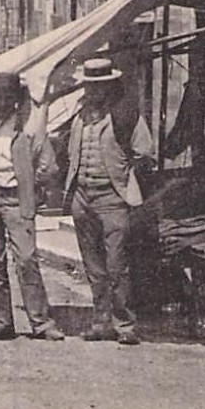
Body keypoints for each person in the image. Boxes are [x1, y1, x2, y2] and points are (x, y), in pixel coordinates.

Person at [0, 72, 64, 342]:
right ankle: (0, 323)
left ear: (17, 100)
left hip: (17, 200)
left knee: (27, 260)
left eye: (8, 97)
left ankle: (41, 323)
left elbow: (48, 165)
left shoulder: (28, 131)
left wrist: (32, 185)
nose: (2, 103)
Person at [65, 57, 155, 346]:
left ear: (110, 85)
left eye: (99, 86)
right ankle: (100, 322)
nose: (93, 92)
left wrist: (124, 175)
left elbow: (144, 152)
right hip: (82, 196)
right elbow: (71, 152)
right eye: (89, 86)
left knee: (117, 265)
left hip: (112, 198)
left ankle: (125, 324)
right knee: (93, 265)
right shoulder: (79, 115)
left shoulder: (126, 114)